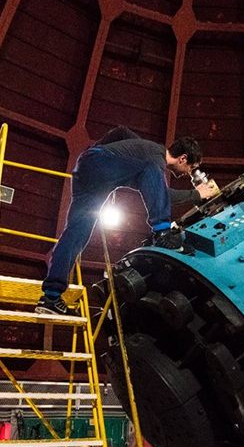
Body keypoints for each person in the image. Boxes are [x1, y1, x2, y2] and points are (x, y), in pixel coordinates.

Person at [35, 127, 213, 315]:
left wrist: (94, 153)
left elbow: (121, 133)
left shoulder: (142, 153)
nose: (188, 173)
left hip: (88, 174)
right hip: (97, 165)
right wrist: (198, 194)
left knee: (75, 236)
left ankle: (51, 298)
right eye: (190, 168)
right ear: (183, 158)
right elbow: (161, 192)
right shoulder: (154, 159)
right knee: (150, 168)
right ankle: (162, 232)